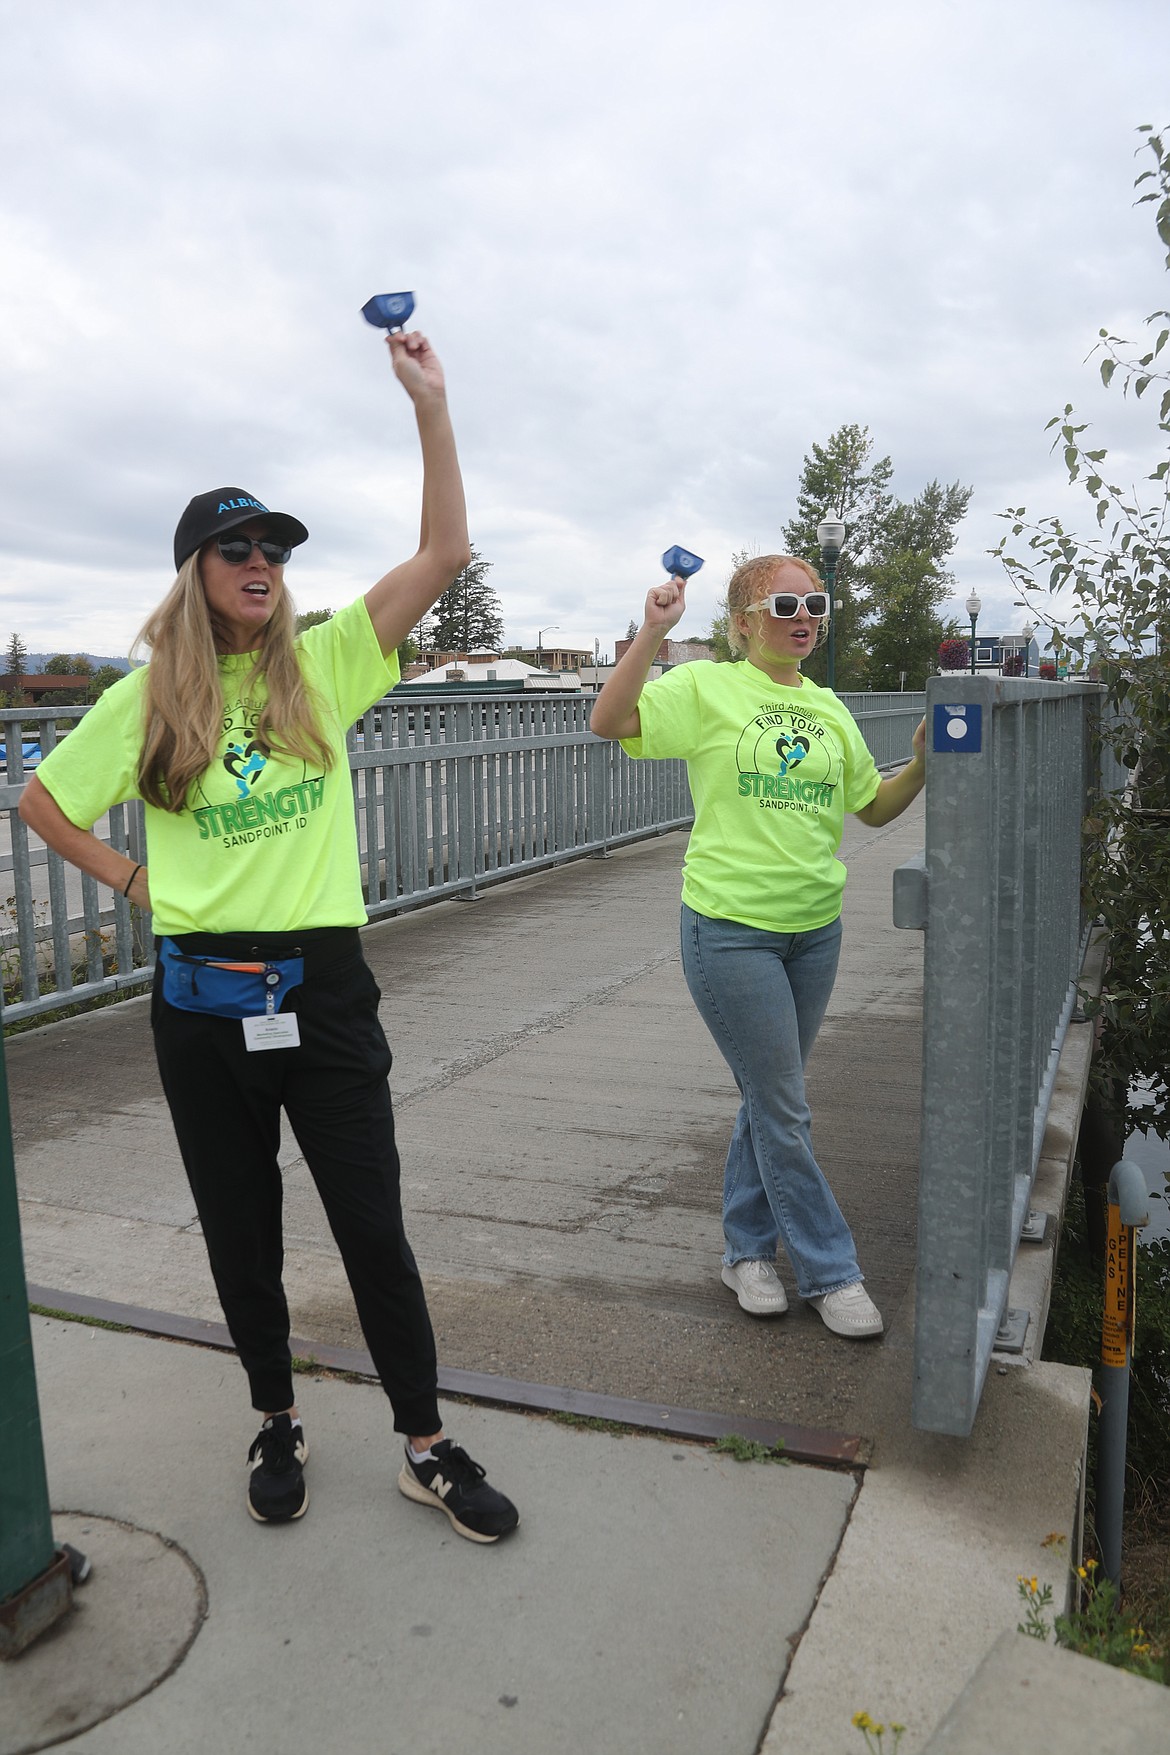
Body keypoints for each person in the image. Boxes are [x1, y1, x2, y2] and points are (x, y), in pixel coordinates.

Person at [20, 329, 519, 1540]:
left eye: (276, 549)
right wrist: (138, 882)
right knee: (243, 1230)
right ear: (195, 568)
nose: (263, 563)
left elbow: (446, 551)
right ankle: (276, 1416)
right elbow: (40, 803)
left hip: (326, 990)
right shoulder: (145, 700)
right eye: (238, 548)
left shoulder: (326, 664)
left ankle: (425, 1441)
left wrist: (431, 409)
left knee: (370, 1226)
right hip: (200, 1001)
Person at [589, 554, 926, 1338]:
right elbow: (609, 720)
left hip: (816, 931)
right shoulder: (706, 688)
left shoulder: (831, 708)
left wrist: (927, 761)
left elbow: (871, 808)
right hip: (731, 929)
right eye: (783, 604)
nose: (803, 615)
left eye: (816, 602)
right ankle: (830, 1269)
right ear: (741, 623)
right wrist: (653, 631)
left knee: (768, 1097)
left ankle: (745, 1251)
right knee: (783, 1104)